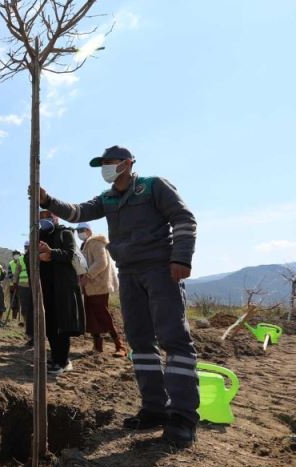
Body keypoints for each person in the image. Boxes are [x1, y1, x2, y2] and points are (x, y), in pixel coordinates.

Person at [39, 145, 198, 448]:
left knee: (173, 338)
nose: (105, 168)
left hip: (160, 269)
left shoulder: (153, 186)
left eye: (110, 163)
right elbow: (79, 211)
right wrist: (48, 201)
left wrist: (181, 257)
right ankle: (155, 408)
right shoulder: (108, 199)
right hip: (129, 273)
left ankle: (183, 418)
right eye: (102, 164)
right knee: (140, 342)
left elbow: (184, 219)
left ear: (127, 164)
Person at [34, 211, 86, 375]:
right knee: (50, 325)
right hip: (46, 288)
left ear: (56, 218)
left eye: (48, 216)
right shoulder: (38, 235)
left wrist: (51, 253)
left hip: (63, 287)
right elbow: (29, 255)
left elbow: (69, 254)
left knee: (62, 325)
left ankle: (63, 361)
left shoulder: (65, 233)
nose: (45, 219)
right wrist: (37, 255)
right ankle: (55, 357)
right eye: (41, 216)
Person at [77, 222, 127, 357]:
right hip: (89, 286)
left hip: (98, 285)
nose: (79, 232)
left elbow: (101, 262)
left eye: (82, 230)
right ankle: (97, 346)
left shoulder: (96, 243)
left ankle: (119, 345)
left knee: (103, 315)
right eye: (78, 230)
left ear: (89, 230)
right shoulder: (85, 245)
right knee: (92, 316)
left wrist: (88, 275)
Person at [18, 241, 34, 344]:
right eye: (25, 247)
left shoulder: (37, 255)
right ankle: (26, 324)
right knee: (25, 307)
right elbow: (17, 272)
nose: (26, 248)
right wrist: (14, 283)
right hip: (23, 285)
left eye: (28, 246)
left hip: (34, 286)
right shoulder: (22, 258)